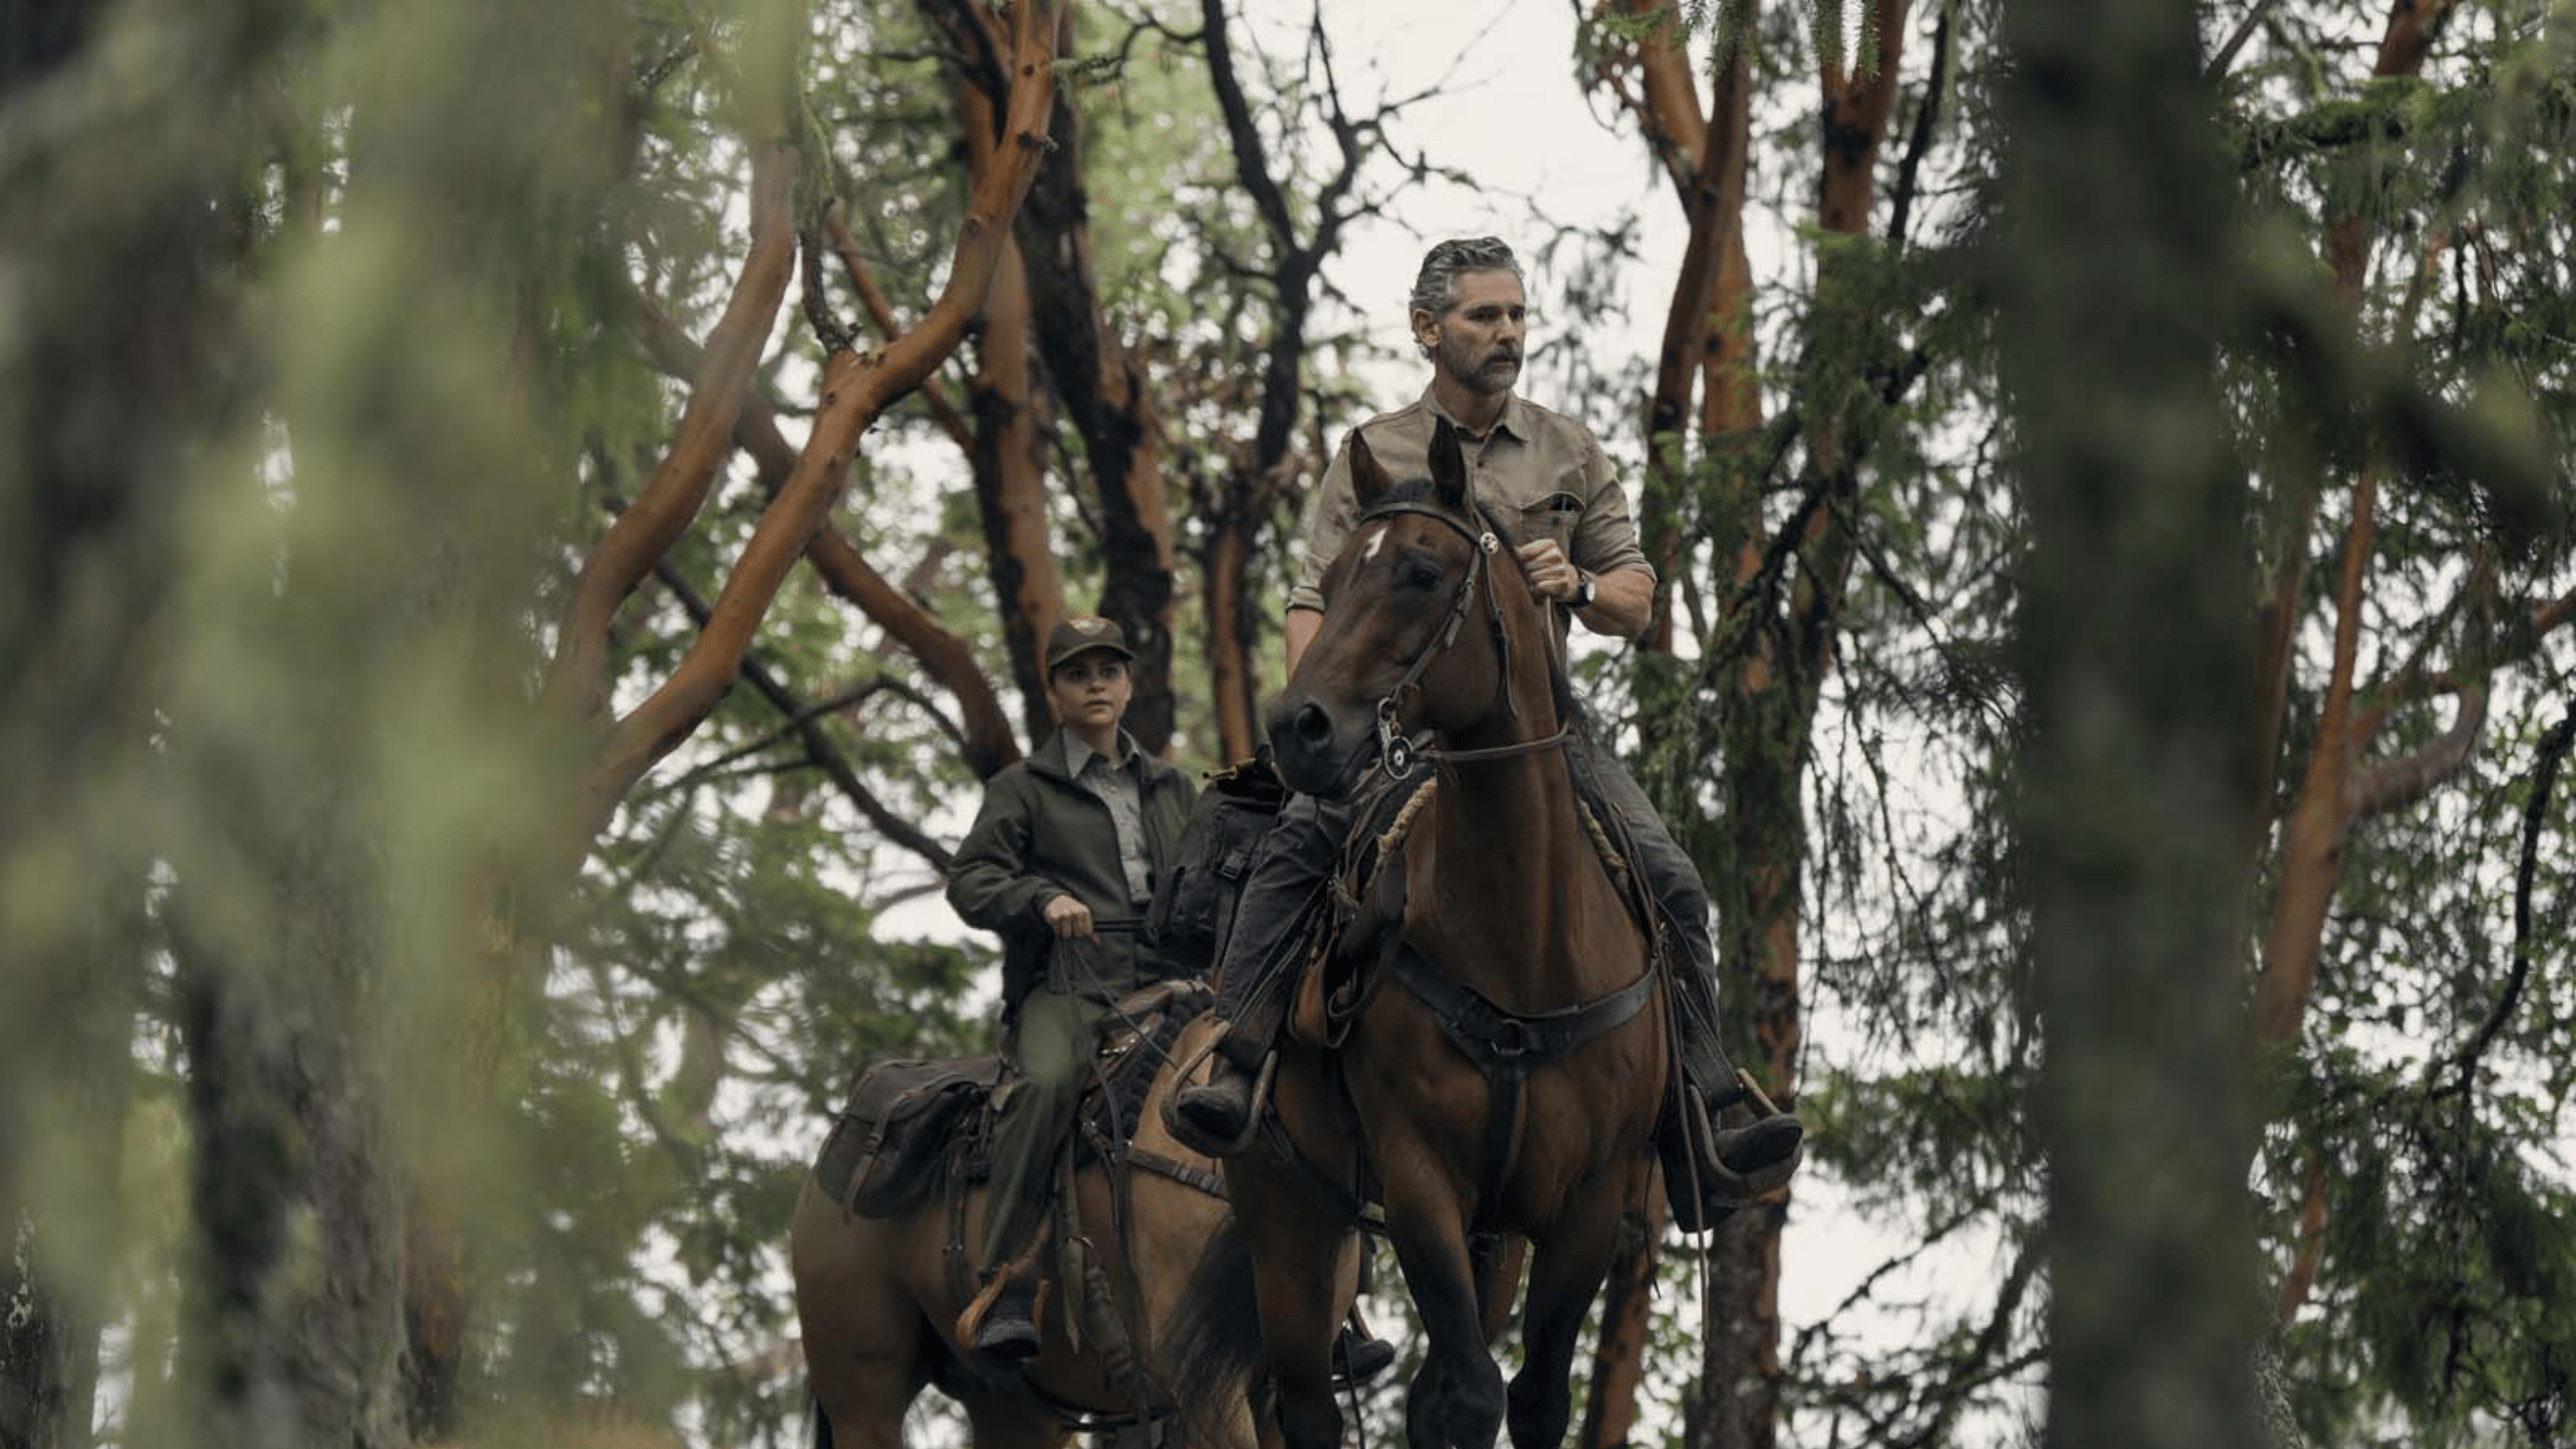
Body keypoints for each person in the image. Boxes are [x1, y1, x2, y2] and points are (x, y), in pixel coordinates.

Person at [1165, 236, 1803, 1218]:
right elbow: (1314, 597)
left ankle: (1701, 1105)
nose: (1507, 333)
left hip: (1543, 739)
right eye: (1483, 316)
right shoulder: (1373, 454)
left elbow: (1635, 597)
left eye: (1516, 315)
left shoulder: (1568, 450)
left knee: (1670, 877)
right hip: (1399, 736)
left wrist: (1581, 584)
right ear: (1429, 329)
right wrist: (1327, 716)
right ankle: (1236, 1060)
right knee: (1297, 849)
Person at [945, 616, 1195, 1358]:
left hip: (1177, 985)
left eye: (1108, 671)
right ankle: (1006, 1279)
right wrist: (1040, 900)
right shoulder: (1024, 788)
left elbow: (1209, 883)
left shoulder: (1173, 787)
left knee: (1272, 1064)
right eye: (1077, 674)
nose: (1096, 685)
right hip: (1072, 986)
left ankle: (1333, 1305)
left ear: (1128, 685)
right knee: (1049, 1082)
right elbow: (970, 881)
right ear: (1054, 691)